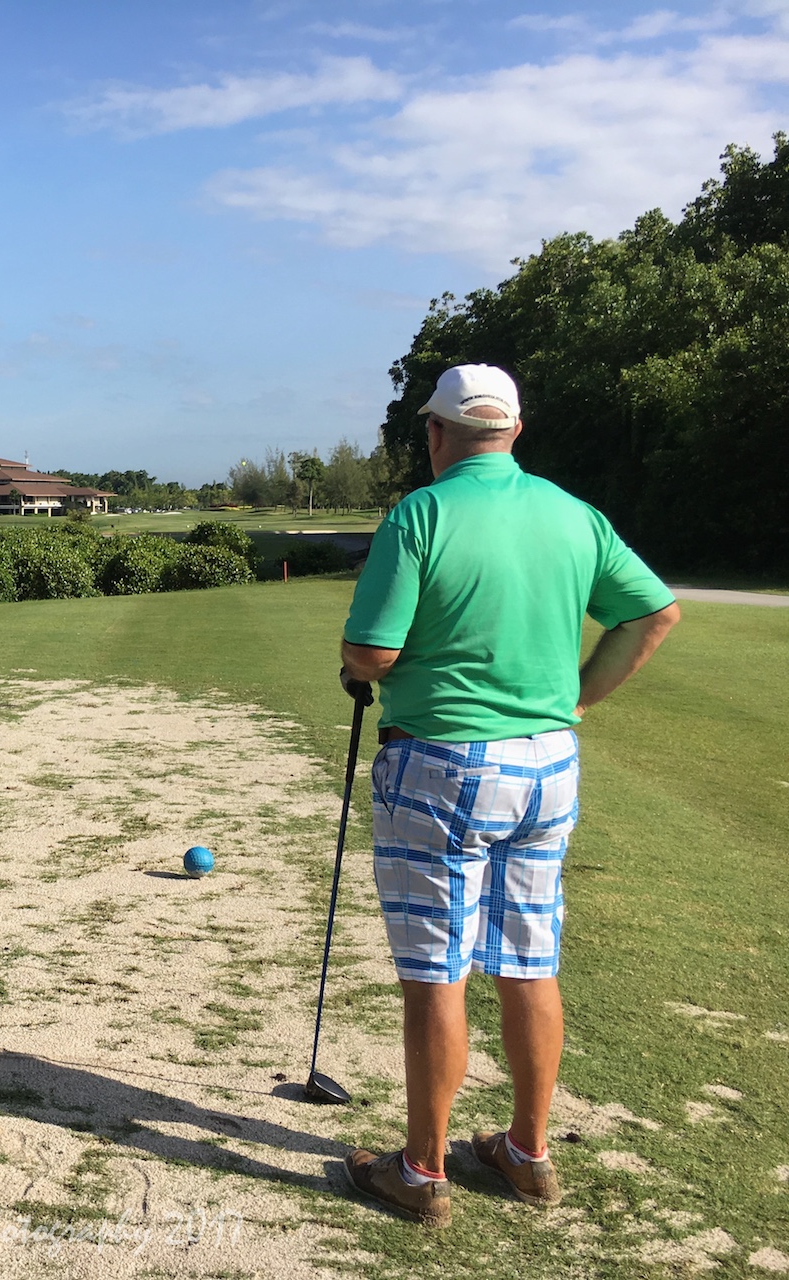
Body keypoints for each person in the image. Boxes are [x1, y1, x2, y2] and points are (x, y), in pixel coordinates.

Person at [337, 364, 679, 1227]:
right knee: (529, 958)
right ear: (514, 431)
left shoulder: (420, 513)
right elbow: (653, 613)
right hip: (546, 766)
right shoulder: (573, 514)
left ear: (434, 432)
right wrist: (574, 701)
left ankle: (420, 1171)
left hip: (441, 765)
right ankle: (526, 1153)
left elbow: (371, 655)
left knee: (435, 971)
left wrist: (358, 666)